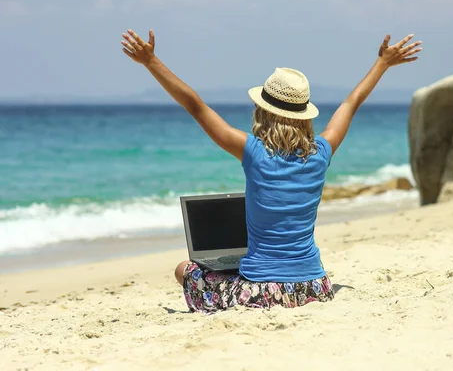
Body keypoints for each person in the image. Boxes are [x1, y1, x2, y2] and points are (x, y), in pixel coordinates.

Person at [121, 29, 422, 313]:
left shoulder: (253, 151)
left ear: (262, 111)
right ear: (304, 114)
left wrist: (150, 61)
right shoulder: (321, 153)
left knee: (184, 270)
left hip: (262, 291)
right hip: (314, 287)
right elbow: (351, 103)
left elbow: (196, 106)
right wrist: (382, 63)